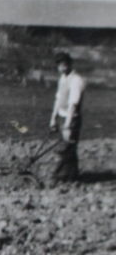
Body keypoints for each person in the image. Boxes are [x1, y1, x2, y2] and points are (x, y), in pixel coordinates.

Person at [49, 52, 85, 183]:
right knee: (69, 146)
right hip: (62, 116)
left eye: (64, 65)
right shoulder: (62, 79)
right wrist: (53, 118)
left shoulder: (76, 80)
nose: (62, 68)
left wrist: (67, 125)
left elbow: (73, 104)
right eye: (59, 66)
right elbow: (58, 100)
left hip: (72, 118)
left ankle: (58, 175)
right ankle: (72, 176)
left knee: (67, 147)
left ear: (70, 64)